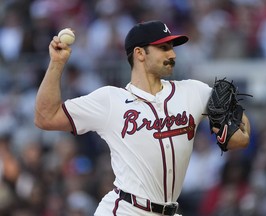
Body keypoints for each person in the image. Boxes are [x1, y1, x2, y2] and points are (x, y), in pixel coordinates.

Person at [34, 20, 251, 216]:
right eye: (163, 48)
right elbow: (46, 117)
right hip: (126, 210)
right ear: (139, 53)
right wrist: (57, 64)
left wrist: (234, 125)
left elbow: (241, 137)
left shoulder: (193, 92)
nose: (172, 55)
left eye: (172, 48)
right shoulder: (110, 100)